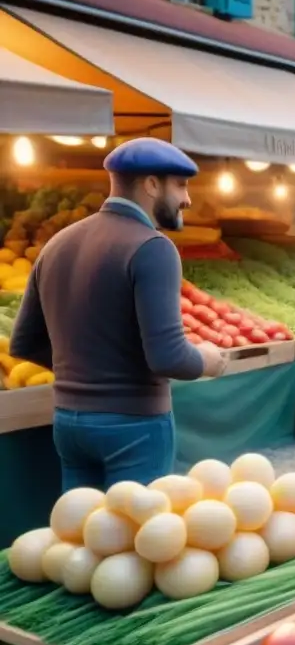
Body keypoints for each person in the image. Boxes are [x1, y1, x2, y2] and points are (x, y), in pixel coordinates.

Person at [9, 138, 226, 491]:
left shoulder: (57, 244)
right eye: (181, 185)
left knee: (81, 536)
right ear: (151, 185)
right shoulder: (154, 248)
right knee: (135, 537)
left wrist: (87, 375)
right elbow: (168, 357)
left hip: (70, 425)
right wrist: (209, 360)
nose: (187, 198)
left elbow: (24, 342)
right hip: (134, 427)